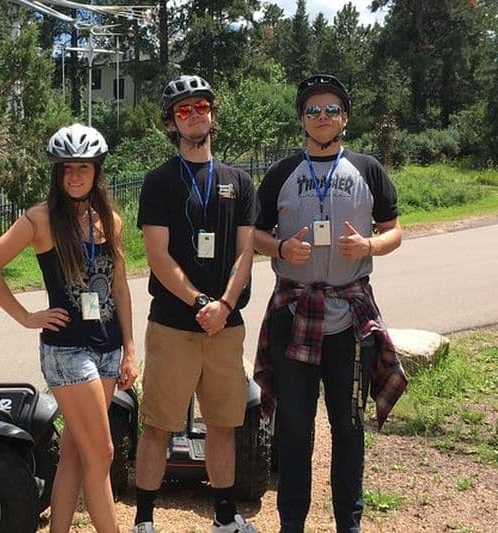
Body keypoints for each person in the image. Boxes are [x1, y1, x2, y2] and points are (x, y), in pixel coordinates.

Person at [253, 74, 408, 532]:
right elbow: (255, 235)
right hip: (294, 313)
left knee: (349, 428)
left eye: (331, 110)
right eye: (313, 110)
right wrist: (280, 249)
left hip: (349, 319)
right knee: (295, 429)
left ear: (345, 117)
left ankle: (349, 524)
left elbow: (395, 229)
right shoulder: (281, 172)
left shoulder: (367, 168)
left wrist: (370, 246)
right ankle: (292, 525)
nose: (322, 118)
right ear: (302, 118)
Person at [0, 123, 137, 533]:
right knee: (102, 453)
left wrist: (130, 348)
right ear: (57, 172)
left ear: (98, 170)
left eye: (84, 167)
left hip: (106, 347)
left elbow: (119, 287)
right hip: (67, 351)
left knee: (76, 454)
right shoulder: (39, 219)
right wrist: (27, 317)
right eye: (67, 168)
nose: (76, 176)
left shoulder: (110, 221)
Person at [132, 75, 258, 533]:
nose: (195, 115)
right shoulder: (159, 182)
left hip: (225, 327)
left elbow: (247, 252)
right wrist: (200, 301)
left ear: (213, 113)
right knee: (159, 425)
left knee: (223, 424)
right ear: (171, 122)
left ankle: (224, 517)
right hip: (172, 324)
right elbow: (157, 256)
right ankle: (144, 519)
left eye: (201, 106)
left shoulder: (239, 182)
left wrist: (223, 305)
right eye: (184, 110)